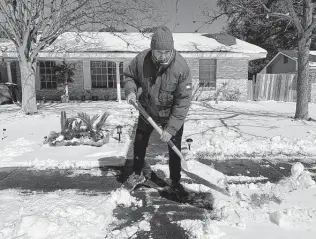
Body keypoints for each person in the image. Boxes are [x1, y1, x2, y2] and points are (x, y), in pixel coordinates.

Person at [123, 26, 192, 195]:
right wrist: (131, 91)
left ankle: (175, 181)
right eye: (158, 52)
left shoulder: (181, 68)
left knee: (174, 146)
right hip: (147, 110)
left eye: (166, 52)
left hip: (171, 115)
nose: (162, 56)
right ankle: (137, 173)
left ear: (172, 49)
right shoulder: (141, 60)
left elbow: (182, 102)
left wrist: (171, 128)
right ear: (152, 49)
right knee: (139, 142)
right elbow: (130, 76)